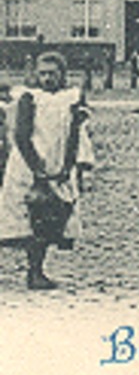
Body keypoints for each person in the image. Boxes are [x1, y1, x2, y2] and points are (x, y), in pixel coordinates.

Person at [1, 53, 95, 290]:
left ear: (62, 74)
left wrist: (69, 165)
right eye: (43, 73)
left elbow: (75, 133)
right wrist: (37, 169)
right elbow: (21, 136)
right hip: (30, 163)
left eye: (52, 73)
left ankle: (39, 270)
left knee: (52, 216)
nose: (47, 78)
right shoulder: (30, 98)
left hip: (58, 163)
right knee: (30, 218)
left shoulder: (71, 98)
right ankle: (34, 271)